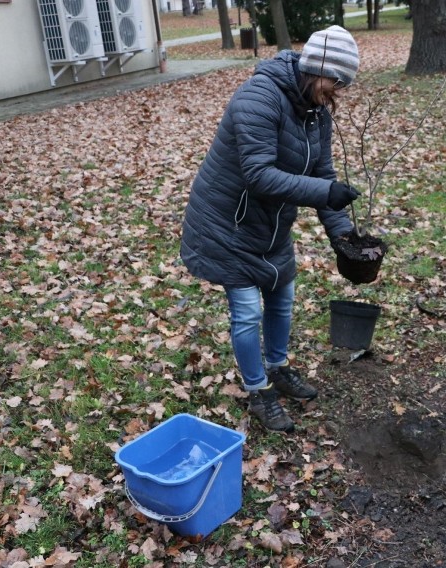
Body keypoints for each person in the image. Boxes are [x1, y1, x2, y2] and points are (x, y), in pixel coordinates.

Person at [180, 25, 361, 432]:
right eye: (335, 81)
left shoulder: (315, 112)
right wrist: (326, 192)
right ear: (317, 68)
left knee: (282, 297)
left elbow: (323, 175)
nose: (337, 92)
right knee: (246, 313)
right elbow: (260, 175)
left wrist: (344, 239)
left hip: (271, 225)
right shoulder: (257, 99)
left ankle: (278, 367)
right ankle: (258, 390)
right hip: (228, 223)